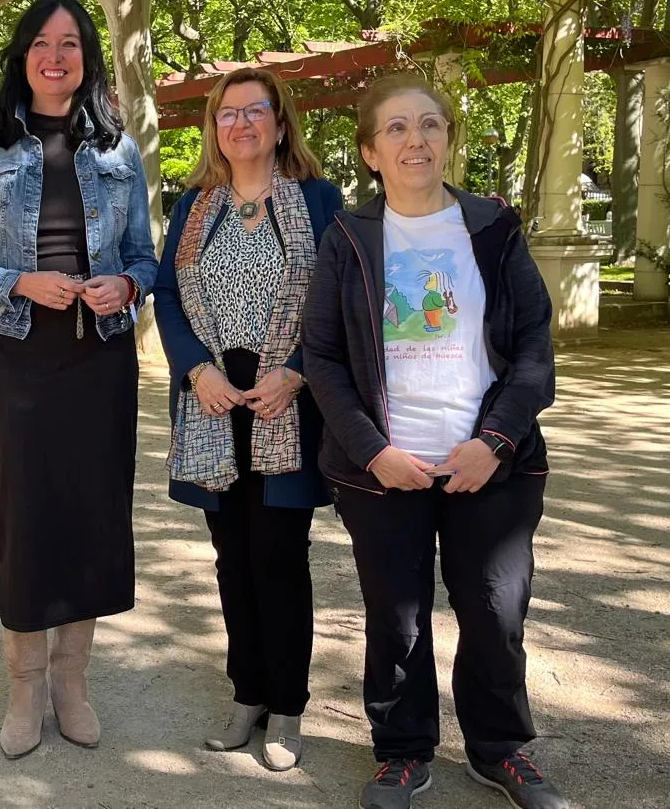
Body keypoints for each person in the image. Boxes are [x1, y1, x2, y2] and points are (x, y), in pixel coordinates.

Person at [301, 74, 569, 809]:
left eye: (429, 125)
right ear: (369, 152)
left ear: (449, 138)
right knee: (398, 617)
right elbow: (320, 357)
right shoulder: (350, 238)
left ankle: (499, 750)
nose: (415, 140)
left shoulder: (493, 228)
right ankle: (402, 751)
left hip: (490, 465)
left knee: (494, 610)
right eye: (396, 129)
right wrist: (371, 449)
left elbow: (534, 348)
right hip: (385, 467)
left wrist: (495, 440)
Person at [0, 0, 158, 760]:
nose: (55, 56)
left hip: (99, 359)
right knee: (25, 519)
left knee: (94, 518)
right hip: (17, 360)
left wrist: (125, 288)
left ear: (87, 57)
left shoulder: (118, 150)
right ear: (22, 55)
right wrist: (17, 283)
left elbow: (145, 258)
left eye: (70, 44)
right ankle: (25, 685)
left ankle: (73, 681)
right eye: (41, 43)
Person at [151, 68, 341, 772]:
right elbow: (167, 294)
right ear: (214, 129)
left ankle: (288, 707)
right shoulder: (196, 206)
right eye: (227, 115)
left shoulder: (320, 201)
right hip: (212, 400)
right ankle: (248, 695)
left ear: (280, 124)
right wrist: (195, 369)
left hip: (284, 402)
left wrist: (294, 372)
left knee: (280, 558)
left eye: (254, 112)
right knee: (232, 559)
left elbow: (335, 299)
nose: (240, 125)